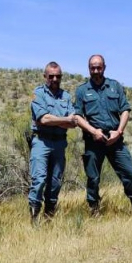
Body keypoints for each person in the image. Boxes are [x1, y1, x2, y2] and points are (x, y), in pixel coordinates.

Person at [74, 54, 132, 216]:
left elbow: (125, 110)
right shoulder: (82, 90)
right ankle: (94, 209)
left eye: (98, 67)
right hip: (94, 141)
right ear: (89, 69)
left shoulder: (115, 87)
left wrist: (119, 131)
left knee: (129, 172)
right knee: (93, 177)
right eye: (92, 67)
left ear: (104, 68)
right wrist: (93, 132)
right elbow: (77, 116)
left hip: (115, 140)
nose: (95, 70)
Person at [28, 62, 77, 223]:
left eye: (58, 76)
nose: (55, 79)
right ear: (45, 77)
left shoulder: (66, 97)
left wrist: (54, 120)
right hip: (41, 141)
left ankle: (49, 217)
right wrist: (64, 120)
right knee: (39, 179)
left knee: (55, 181)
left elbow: (73, 122)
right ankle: (34, 218)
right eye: (51, 76)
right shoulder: (38, 93)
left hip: (59, 143)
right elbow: (43, 118)